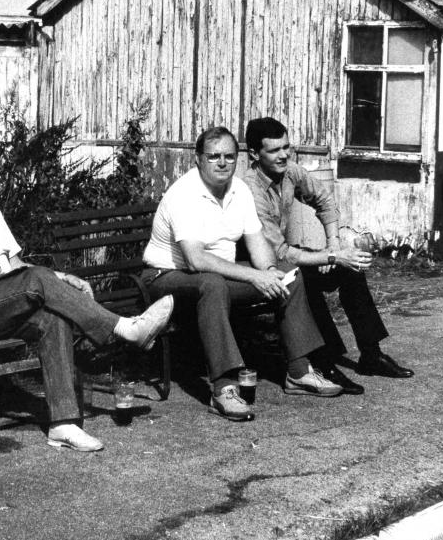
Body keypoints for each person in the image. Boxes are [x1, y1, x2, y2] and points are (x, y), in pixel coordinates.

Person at [0, 125, 174, 453]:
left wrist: (62, 279)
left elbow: (18, 270)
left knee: (50, 319)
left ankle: (63, 424)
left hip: (0, 303)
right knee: (40, 281)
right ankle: (124, 328)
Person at [140, 126, 343, 422]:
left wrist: (271, 273)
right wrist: (252, 277)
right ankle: (222, 388)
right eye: (214, 156)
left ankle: (299, 372)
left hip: (217, 278)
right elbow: (196, 261)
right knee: (211, 284)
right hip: (165, 278)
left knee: (289, 275)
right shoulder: (184, 194)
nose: (222, 163)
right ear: (197, 160)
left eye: (229, 156)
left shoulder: (240, 191)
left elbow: (258, 246)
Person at [241, 117, 414, 393]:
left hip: (284, 258)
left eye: (286, 147)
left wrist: (333, 246)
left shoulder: (289, 172)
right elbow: (279, 252)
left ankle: (371, 354)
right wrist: (330, 257)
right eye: (274, 150)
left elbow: (323, 200)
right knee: (304, 281)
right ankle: (326, 363)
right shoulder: (250, 190)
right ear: (253, 154)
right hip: (256, 267)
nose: (283, 154)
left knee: (350, 270)